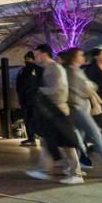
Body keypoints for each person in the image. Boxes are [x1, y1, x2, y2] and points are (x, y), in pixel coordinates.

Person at [60, 48, 102, 178]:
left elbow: (88, 87)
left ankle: (72, 168)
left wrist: (90, 87)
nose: (83, 56)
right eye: (80, 55)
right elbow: (85, 89)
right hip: (78, 108)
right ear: (74, 57)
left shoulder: (76, 70)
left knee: (79, 139)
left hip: (79, 108)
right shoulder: (72, 72)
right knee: (96, 136)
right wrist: (91, 86)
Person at [27, 45, 83, 184]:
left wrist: (40, 91)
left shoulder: (54, 68)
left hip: (58, 109)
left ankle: (76, 173)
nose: (36, 57)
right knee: (48, 140)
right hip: (53, 109)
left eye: (37, 54)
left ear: (44, 54)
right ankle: (45, 170)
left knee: (66, 142)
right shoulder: (50, 68)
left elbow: (59, 89)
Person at [15, 51, 43, 146]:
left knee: (34, 118)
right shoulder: (22, 70)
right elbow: (18, 85)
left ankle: (37, 136)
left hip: (34, 99)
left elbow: (41, 84)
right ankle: (31, 138)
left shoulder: (37, 70)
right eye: (26, 58)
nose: (27, 60)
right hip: (26, 99)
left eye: (29, 58)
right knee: (28, 119)